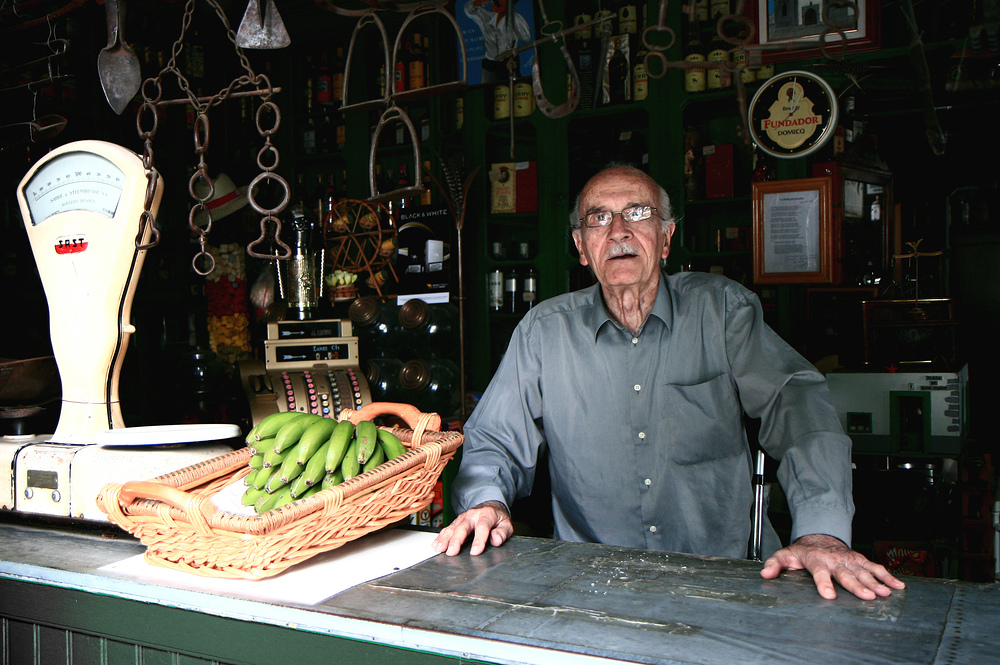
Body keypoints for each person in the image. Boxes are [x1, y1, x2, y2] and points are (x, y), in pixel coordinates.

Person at [432, 164, 905, 601]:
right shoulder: (543, 332)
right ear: (581, 247)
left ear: (665, 238)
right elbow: (493, 437)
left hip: (727, 582)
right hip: (593, 587)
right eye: (598, 219)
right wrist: (487, 501)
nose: (618, 231)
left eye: (638, 213)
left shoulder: (720, 312)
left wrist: (820, 532)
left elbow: (798, 406)